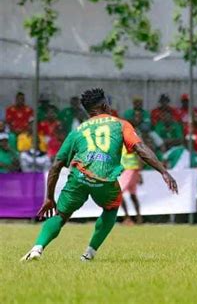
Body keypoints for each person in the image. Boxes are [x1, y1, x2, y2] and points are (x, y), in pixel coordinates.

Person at [21, 88, 178, 262]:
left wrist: (49, 197)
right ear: (104, 105)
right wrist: (163, 171)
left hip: (78, 177)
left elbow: (57, 164)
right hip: (104, 179)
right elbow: (140, 148)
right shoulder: (120, 124)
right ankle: (88, 254)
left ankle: (37, 248)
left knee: (60, 215)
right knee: (111, 208)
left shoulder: (78, 130)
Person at [119, 147, 143, 225]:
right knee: (133, 195)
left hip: (130, 170)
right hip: (130, 170)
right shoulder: (122, 146)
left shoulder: (129, 144)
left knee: (118, 193)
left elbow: (140, 156)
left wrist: (139, 173)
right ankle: (139, 218)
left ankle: (127, 218)